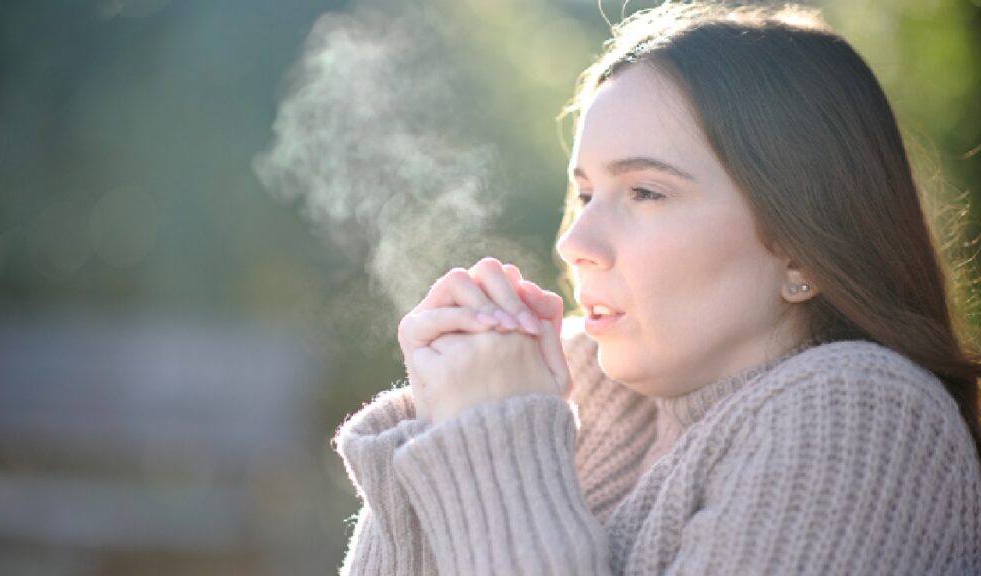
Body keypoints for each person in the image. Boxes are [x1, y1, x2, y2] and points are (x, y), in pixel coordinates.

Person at [332, 2, 981, 574]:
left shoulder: (861, 416)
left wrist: (496, 438)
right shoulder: (581, 400)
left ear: (803, 249)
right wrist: (436, 435)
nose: (574, 242)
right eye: (585, 193)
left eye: (645, 191)